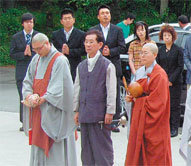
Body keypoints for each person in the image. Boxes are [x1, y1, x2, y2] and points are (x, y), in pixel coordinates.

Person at [21, 33, 77, 165]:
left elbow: (59, 88)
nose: (37, 52)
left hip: (54, 112)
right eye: (35, 50)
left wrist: (42, 99)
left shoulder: (60, 60)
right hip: (38, 111)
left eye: (39, 49)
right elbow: (28, 80)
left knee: (55, 149)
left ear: (47, 44)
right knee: (38, 145)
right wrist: (29, 96)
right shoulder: (36, 59)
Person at [73, 30, 116, 166]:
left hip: (100, 114)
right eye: (86, 42)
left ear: (100, 44)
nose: (88, 45)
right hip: (85, 113)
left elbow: (111, 90)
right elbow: (77, 89)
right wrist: (76, 110)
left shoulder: (107, 65)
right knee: (86, 151)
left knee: (102, 150)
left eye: (92, 42)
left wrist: (110, 111)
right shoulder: (81, 66)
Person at [125, 43, 172, 165]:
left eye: (145, 53)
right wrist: (131, 97)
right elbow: (136, 93)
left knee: (155, 156)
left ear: (155, 55)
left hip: (155, 124)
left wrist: (138, 101)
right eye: (141, 53)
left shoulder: (160, 75)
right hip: (140, 119)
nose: (142, 56)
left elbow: (159, 103)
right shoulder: (140, 72)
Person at [90, 5, 126, 132]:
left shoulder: (117, 30)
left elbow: (123, 47)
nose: (105, 15)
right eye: (103, 13)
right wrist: (100, 50)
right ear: (98, 16)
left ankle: (114, 122)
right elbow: (89, 46)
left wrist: (110, 51)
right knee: (97, 92)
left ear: (110, 15)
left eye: (107, 13)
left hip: (113, 64)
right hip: (97, 65)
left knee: (113, 93)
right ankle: (97, 118)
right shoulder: (93, 30)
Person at [10, 12, 39, 131]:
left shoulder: (38, 36)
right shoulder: (16, 37)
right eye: (27, 22)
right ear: (23, 24)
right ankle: (24, 121)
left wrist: (31, 54)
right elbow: (12, 54)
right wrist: (23, 54)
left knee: (36, 95)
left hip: (36, 70)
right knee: (23, 96)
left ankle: (36, 120)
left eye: (31, 22)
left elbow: (43, 52)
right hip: (22, 70)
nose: (29, 24)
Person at [156, 25, 184, 137]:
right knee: (163, 105)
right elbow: (158, 65)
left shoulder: (178, 50)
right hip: (162, 82)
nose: (167, 37)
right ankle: (165, 126)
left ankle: (174, 127)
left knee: (174, 105)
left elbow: (180, 66)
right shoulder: (160, 50)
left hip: (175, 82)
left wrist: (171, 79)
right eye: (165, 35)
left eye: (169, 35)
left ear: (173, 37)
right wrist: (163, 79)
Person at [51, 8, 85, 81]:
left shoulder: (81, 34)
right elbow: (52, 50)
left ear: (74, 20)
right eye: (65, 19)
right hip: (60, 65)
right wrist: (61, 51)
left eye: (69, 18)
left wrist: (70, 51)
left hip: (75, 65)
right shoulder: (55, 34)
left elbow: (84, 50)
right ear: (61, 21)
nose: (67, 20)